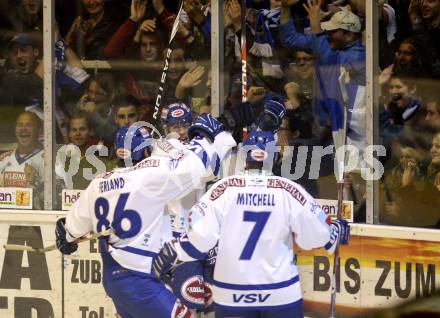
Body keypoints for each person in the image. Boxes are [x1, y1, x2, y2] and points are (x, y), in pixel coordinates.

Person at [152, 129, 350, 318]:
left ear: (245, 158)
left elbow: (199, 237)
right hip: (280, 294)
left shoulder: (222, 189)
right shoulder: (289, 190)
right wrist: (335, 231)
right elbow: (315, 236)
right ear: (275, 157)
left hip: (231, 295)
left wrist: (176, 249)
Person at [54, 113, 236, 318]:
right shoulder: (149, 177)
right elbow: (199, 166)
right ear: (147, 150)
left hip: (114, 279)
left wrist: (66, 236)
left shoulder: (98, 182)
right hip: (139, 279)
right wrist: (206, 136)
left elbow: (70, 230)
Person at [0, 111, 44, 209]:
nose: (23, 129)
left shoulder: (47, 161)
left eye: (29, 125)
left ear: (38, 131)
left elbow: (55, 201)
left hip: (34, 221)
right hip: (5, 221)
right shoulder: (3, 159)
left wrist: (35, 184)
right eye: (20, 125)